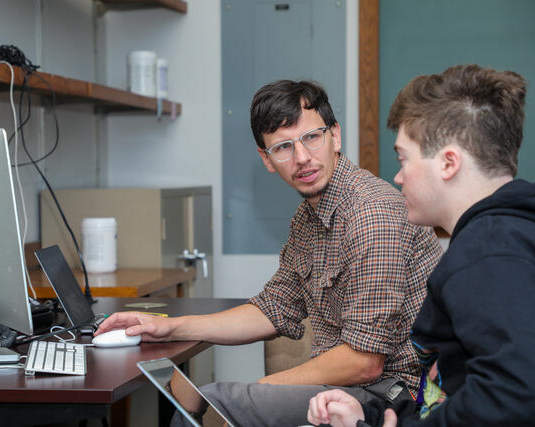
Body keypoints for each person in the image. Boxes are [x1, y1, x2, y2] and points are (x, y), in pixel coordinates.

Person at [96, 80, 443, 426]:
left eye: (312, 137)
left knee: (217, 403)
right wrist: (169, 328)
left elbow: (365, 361)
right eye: (283, 147)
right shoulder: (307, 218)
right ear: (266, 159)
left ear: (335, 136)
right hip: (352, 388)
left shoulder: (371, 213)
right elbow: (274, 308)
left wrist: (260, 390)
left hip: (396, 398)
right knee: (210, 400)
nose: (303, 158)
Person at [307, 64, 535, 427]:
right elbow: (449, 394)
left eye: (403, 158)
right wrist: (373, 416)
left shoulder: (490, 252)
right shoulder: (511, 237)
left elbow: (516, 396)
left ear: (448, 163)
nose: (397, 177)